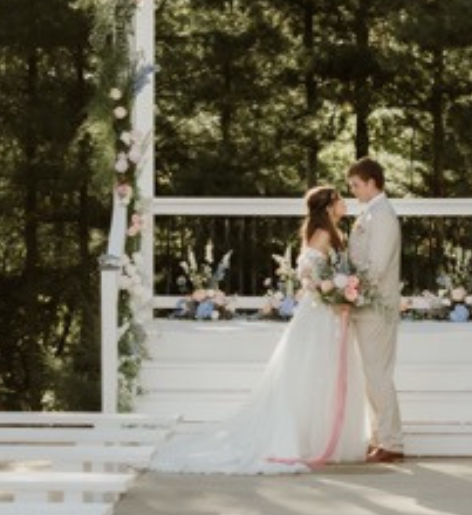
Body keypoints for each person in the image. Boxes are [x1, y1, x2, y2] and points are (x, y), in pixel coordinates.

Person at [151, 184, 369, 474]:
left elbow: (310, 275)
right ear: (330, 205)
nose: (346, 202)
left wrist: (339, 290)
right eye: (341, 198)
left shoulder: (324, 233)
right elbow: (312, 277)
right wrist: (333, 293)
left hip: (322, 312)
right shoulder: (325, 234)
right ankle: (306, 438)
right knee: (314, 373)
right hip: (321, 314)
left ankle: (320, 435)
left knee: (317, 373)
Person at [345, 156, 405, 463]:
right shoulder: (369, 213)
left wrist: (351, 289)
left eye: (356, 185)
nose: (353, 191)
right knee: (371, 377)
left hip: (376, 307)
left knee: (378, 375)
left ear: (372, 183)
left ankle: (392, 441)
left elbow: (378, 266)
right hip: (365, 306)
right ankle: (380, 436)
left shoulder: (382, 216)